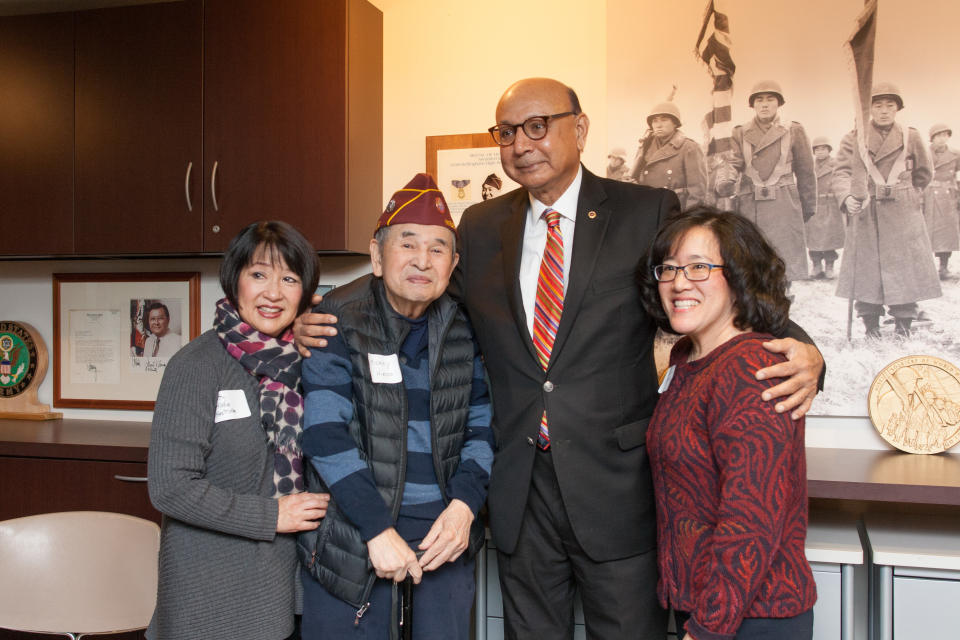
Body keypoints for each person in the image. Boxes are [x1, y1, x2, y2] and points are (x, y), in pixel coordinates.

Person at [295, 77, 824, 639]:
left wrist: (807, 351)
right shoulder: (481, 225)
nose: (522, 143)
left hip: (616, 491)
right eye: (506, 132)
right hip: (521, 493)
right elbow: (418, 278)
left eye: (538, 126)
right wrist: (324, 308)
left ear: (581, 129)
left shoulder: (643, 211)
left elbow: (714, 280)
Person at [297, 173, 494, 639]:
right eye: (407, 245)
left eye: (438, 249)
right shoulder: (336, 321)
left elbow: (483, 426)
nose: (422, 261)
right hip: (354, 525)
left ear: (454, 263)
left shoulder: (468, 327)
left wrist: (466, 505)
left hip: (444, 527)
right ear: (376, 256)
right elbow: (325, 434)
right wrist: (376, 530)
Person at [640, 207, 816, 640]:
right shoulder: (686, 358)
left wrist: (707, 629)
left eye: (700, 267)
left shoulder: (751, 367)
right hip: (703, 606)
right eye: (670, 269)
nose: (680, 282)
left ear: (739, 278)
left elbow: (751, 519)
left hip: (751, 615)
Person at [147, 221, 330, 640]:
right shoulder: (196, 365)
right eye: (259, 274)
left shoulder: (310, 362)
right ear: (234, 281)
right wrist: (273, 514)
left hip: (284, 586)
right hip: (211, 595)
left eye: (289, 278)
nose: (273, 292)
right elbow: (170, 488)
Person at [834, 82, 939, 338]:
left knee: (905, 269)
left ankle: (904, 325)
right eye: (878, 105)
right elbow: (842, 173)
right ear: (869, 109)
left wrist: (908, 195)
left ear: (898, 108)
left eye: (890, 105)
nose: (883, 111)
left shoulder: (910, 136)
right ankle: (871, 327)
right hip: (866, 209)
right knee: (867, 270)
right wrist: (847, 196)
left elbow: (924, 173)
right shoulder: (853, 137)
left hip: (903, 211)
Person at [716, 80, 816, 284]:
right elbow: (733, 161)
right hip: (750, 203)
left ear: (778, 103)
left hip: (784, 203)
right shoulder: (740, 132)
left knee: (782, 261)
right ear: (752, 105)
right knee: (751, 262)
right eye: (759, 100)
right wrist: (726, 178)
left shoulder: (793, 129)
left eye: (770, 99)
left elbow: (805, 171)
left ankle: (781, 301)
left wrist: (807, 207)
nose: (764, 104)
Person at [631, 101, 707, 209]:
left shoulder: (689, 147)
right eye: (655, 121)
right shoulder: (645, 146)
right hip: (649, 209)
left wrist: (687, 220)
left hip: (675, 210)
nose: (658, 125)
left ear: (675, 123)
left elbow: (697, 192)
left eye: (664, 119)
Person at [923, 123, 960, 279]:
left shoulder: (956, 154)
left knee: (946, 234)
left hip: (947, 197)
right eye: (938, 135)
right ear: (932, 138)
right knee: (924, 232)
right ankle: (924, 268)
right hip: (927, 195)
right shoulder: (924, 153)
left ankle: (943, 267)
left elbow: (958, 175)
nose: (942, 138)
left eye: (945, 135)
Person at [806, 137, 844, 279]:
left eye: (823, 148)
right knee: (813, 239)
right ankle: (816, 265)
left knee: (829, 238)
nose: (820, 152)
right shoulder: (809, 165)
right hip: (814, 205)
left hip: (830, 204)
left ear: (829, 150)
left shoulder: (836, 165)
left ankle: (829, 266)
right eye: (817, 149)